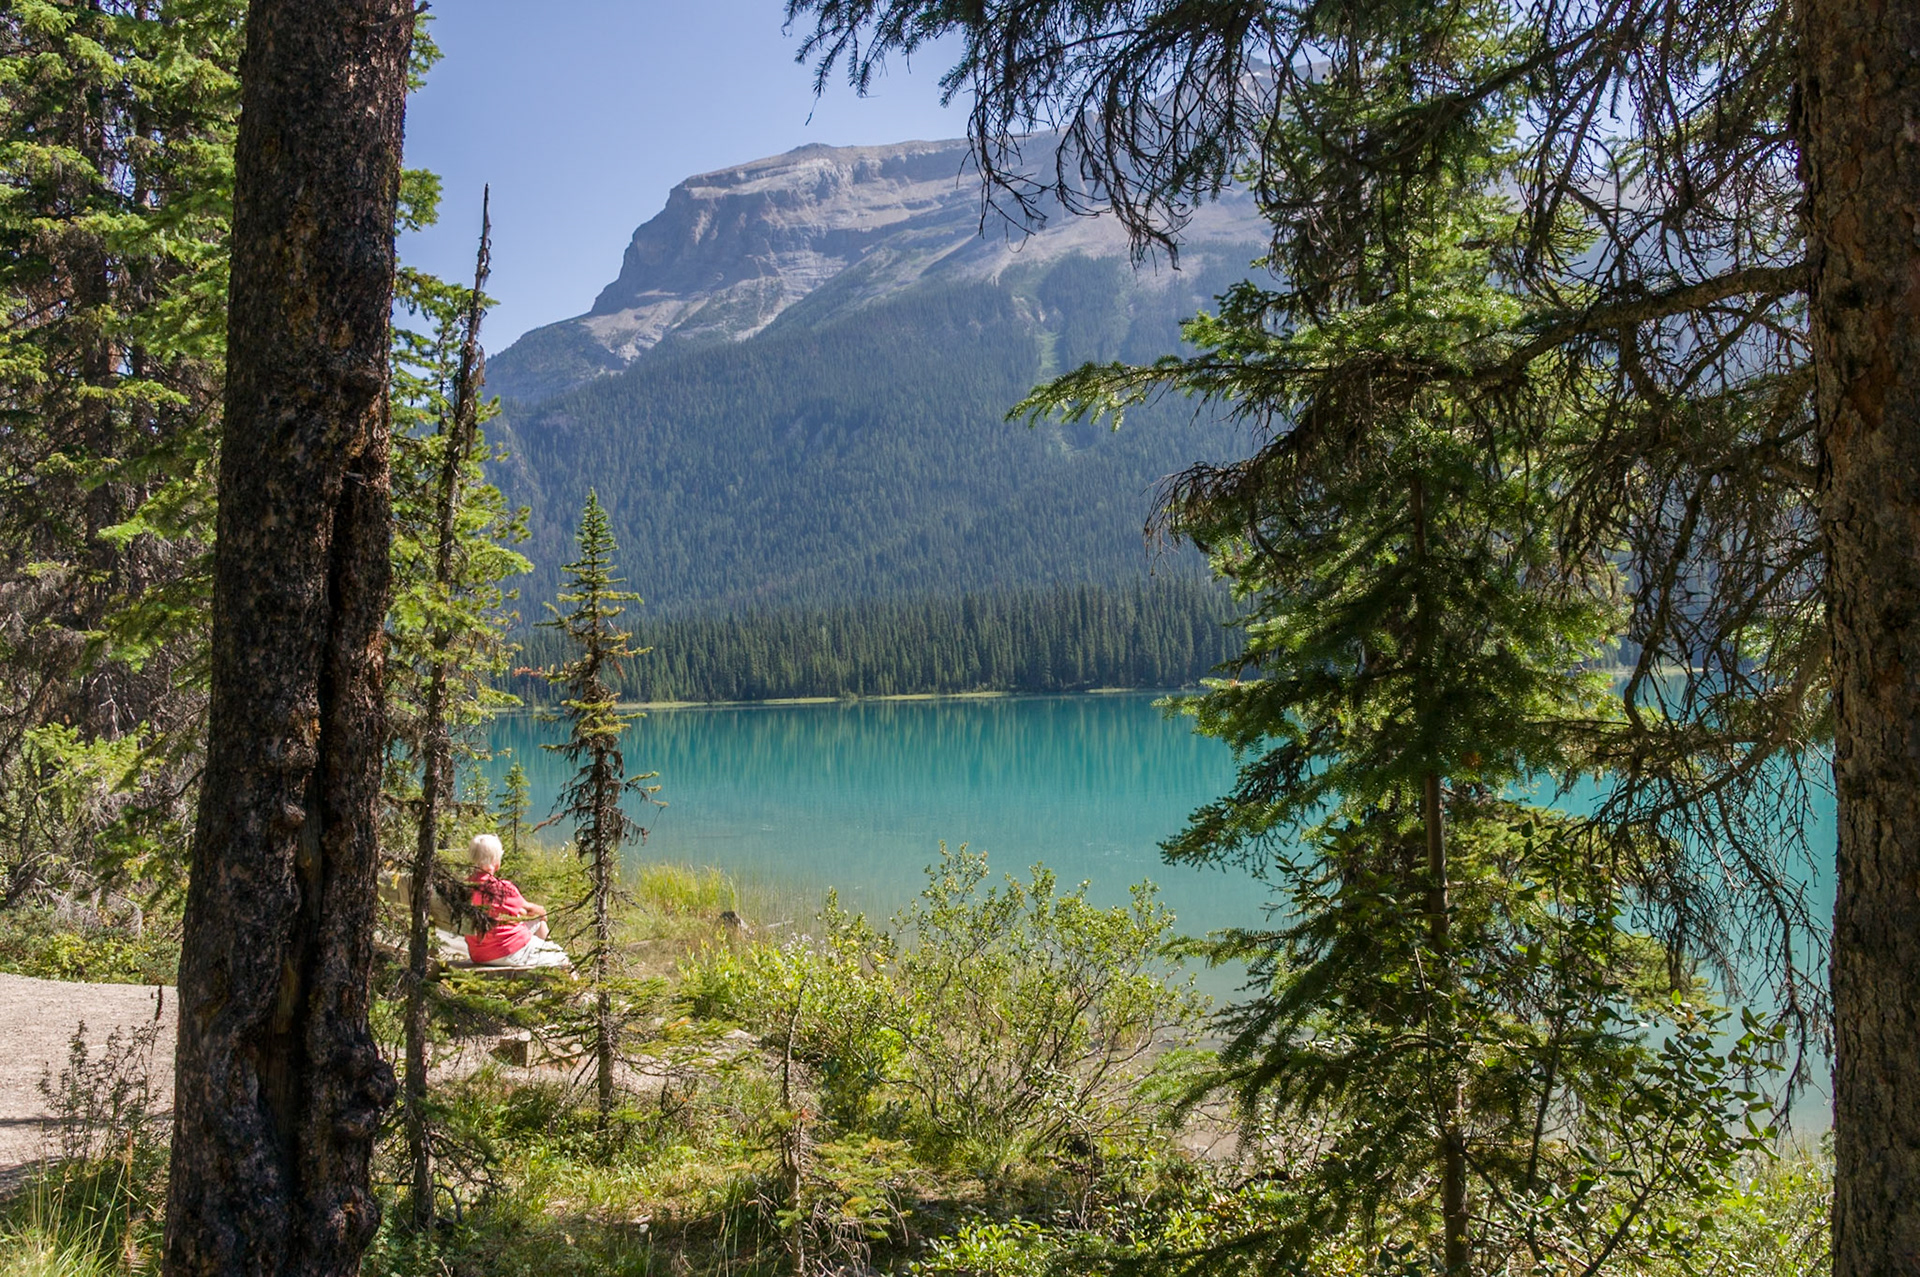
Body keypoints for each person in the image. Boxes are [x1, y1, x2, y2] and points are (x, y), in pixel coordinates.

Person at [464, 834, 568, 968]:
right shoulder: (502, 888)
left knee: (536, 922)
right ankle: (570, 983)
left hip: (479, 954)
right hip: (509, 951)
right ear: (496, 861)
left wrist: (522, 911)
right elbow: (535, 911)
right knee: (562, 957)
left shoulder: (463, 888)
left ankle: (545, 951)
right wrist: (538, 911)